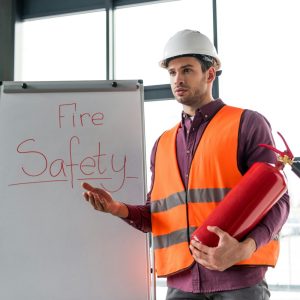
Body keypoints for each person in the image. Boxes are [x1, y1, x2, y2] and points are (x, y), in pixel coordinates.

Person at [82, 29, 290, 300]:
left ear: (210, 74)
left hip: (238, 280)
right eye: (172, 72)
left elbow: (278, 200)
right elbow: (158, 216)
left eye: (187, 70)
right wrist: (117, 208)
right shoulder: (163, 144)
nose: (178, 79)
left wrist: (245, 248)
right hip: (181, 284)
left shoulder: (247, 124)